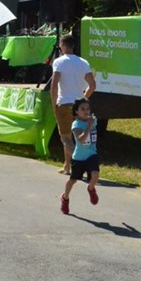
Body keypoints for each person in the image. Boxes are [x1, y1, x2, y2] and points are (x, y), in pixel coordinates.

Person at [50, 34, 96, 175]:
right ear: (73, 46)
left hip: (64, 103)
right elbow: (92, 85)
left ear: (62, 45)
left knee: (65, 137)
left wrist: (54, 104)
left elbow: (54, 85)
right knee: (74, 136)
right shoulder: (83, 62)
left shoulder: (58, 62)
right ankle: (67, 166)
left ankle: (83, 164)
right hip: (79, 106)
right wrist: (83, 98)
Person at [60, 98, 99, 215]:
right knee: (73, 180)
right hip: (79, 157)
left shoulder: (93, 120)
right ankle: (65, 198)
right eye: (82, 109)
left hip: (92, 154)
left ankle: (91, 188)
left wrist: (91, 123)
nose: (86, 111)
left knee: (95, 175)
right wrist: (88, 126)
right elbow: (81, 140)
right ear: (76, 112)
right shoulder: (76, 124)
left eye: (88, 109)